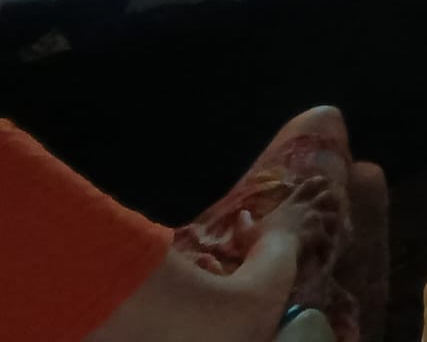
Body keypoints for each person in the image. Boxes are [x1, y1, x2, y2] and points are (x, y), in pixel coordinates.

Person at [0, 106, 387, 342]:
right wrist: (280, 238)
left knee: (366, 184)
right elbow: (228, 327)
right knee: (322, 130)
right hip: (220, 322)